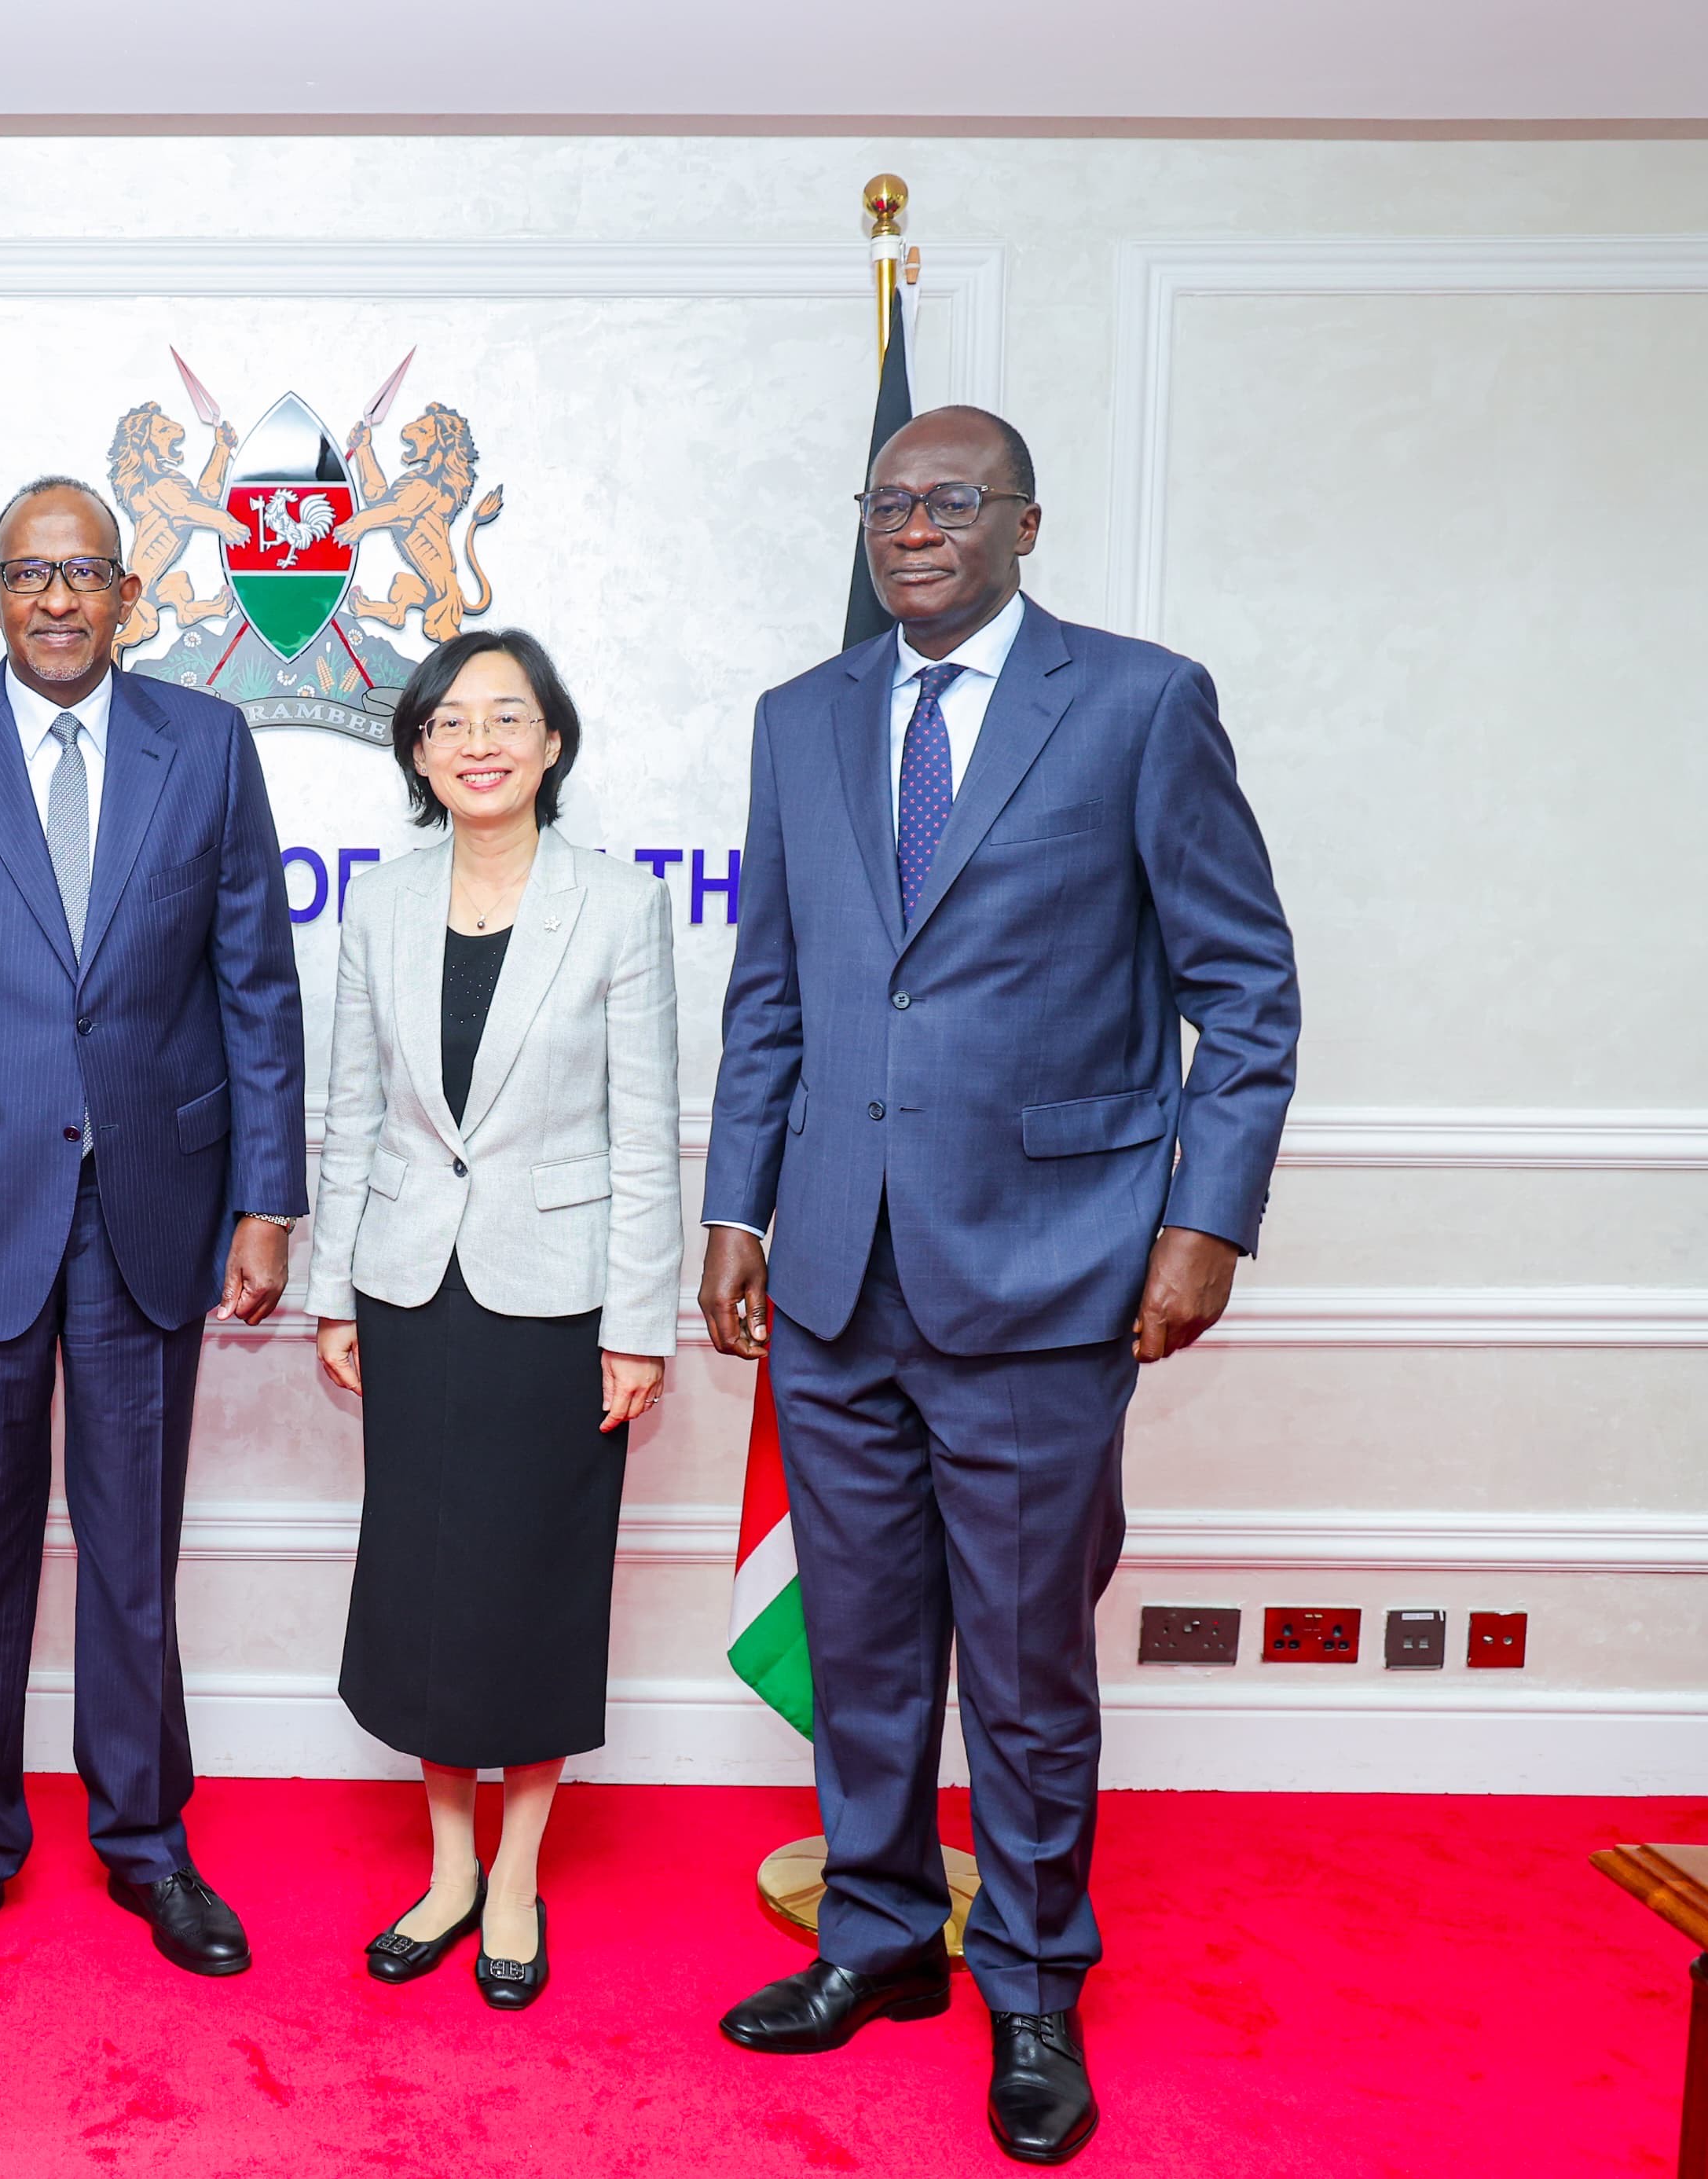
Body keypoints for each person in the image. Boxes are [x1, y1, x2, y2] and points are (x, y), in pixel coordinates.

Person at [700, 407, 1299, 2165]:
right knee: (865, 1646)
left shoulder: (1136, 705)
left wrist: (1204, 1223)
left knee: (1027, 1668)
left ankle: (1032, 1982)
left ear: (1024, 524)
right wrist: (736, 1211)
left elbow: (1245, 988)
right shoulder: (799, 718)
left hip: (1049, 1272)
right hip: (834, 1272)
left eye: (951, 500)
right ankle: (882, 1935)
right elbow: (773, 991)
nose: (913, 527)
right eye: (887, 502)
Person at [0, 475, 310, 1990]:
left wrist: (269, 1196)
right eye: (30, 575)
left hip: (152, 1210)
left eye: (86, 572)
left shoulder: (205, 747)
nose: (57, 599)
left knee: (131, 1549)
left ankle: (147, 1839)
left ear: (128, 598)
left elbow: (256, 985)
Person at [306, 629, 680, 2013]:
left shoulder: (619, 907)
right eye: (451, 721)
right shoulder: (381, 903)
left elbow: (646, 1135)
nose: (480, 742)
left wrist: (638, 1323)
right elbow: (353, 1114)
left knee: (533, 1584)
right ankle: (450, 1864)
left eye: (508, 718)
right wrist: (335, 1289)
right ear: (418, 751)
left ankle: (518, 1870)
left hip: (558, 1303)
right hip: (411, 1292)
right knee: (422, 1585)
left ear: (551, 742)